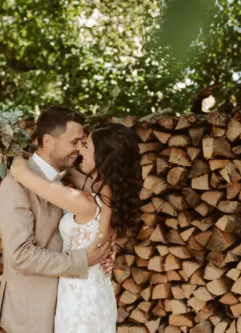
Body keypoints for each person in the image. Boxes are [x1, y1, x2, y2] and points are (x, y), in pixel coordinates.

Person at [10, 119, 143, 332]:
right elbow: (72, 175)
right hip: (97, 293)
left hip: (81, 303)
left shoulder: (83, 203)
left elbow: (21, 174)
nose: (80, 147)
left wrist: (13, 152)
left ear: (102, 159)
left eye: (87, 145)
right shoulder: (110, 194)